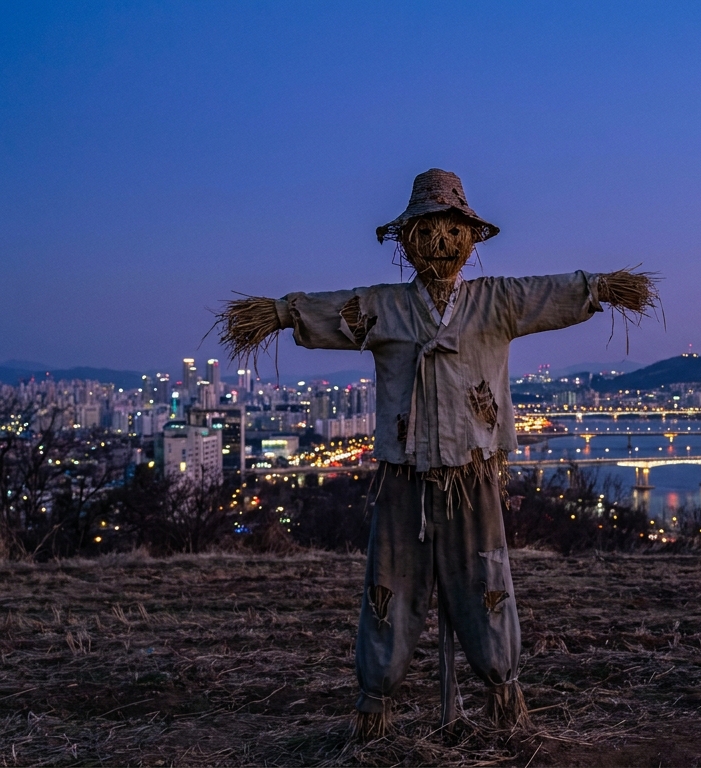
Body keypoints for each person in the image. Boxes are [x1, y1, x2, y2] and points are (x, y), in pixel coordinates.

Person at [214, 168, 658, 737]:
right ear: (406, 241)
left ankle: (502, 695)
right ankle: (375, 704)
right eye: (426, 231)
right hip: (403, 471)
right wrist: (279, 313)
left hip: (473, 470)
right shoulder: (384, 308)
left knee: (486, 580)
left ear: (469, 239)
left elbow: (552, 292)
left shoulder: (497, 302)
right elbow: (327, 310)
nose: (440, 242)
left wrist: (599, 287)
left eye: (451, 231)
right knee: (389, 585)